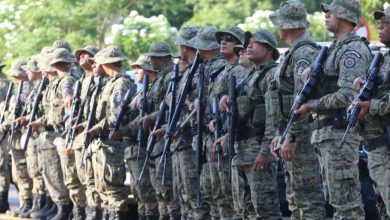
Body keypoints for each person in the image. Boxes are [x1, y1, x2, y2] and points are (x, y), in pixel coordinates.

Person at [294, 0, 372, 218]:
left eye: (331, 11)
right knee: (336, 202)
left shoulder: (353, 49)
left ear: (346, 15)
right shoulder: (334, 49)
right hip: (326, 134)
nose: (326, 15)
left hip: (339, 133)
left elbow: (347, 96)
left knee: (346, 204)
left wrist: (311, 105)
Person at [267, 1, 326, 219]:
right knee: (295, 199)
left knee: (307, 200)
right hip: (290, 133)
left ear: (288, 25)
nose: (277, 27)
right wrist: (281, 134)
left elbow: (302, 99)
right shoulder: (294, 52)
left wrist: (291, 136)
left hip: (300, 137)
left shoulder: (303, 53)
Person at [216, 29, 282, 219]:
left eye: (254, 43)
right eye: (248, 43)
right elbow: (244, 114)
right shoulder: (250, 76)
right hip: (242, 150)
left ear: (268, 49)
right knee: (246, 210)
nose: (248, 46)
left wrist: (265, 151)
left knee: (264, 210)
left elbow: (273, 116)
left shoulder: (271, 74)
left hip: (258, 150)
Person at [84, 46, 136, 219]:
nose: (94, 66)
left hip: (113, 143)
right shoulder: (109, 83)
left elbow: (117, 115)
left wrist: (98, 127)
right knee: (103, 189)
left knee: (113, 191)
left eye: (97, 62)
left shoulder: (121, 83)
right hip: (103, 142)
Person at [352, 5, 390, 219]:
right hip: (378, 148)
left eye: (386, 23)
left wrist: (371, 106)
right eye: (380, 22)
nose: (379, 26)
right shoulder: (384, 59)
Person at [3, 60, 34, 217]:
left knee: (23, 172)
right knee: (18, 173)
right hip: (14, 137)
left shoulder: (26, 90)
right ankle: (24, 203)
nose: (15, 78)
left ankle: (28, 202)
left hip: (21, 136)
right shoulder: (18, 89)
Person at [0, 61, 11, 213]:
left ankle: (2, 199)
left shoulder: (5, 85)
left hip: (1, 128)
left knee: (2, 165)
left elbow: (6, 108)